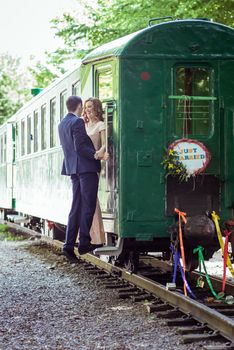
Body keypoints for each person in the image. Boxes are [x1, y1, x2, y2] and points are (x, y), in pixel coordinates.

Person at [58, 96, 102, 261]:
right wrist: (95, 155)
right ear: (79, 106)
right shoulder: (77, 122)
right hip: (86, 168)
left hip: (73, 169)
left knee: (75, 206)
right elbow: (80, 146)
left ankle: (68, 246)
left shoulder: (62, 124)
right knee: (88, 205)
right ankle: (84, 242)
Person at [82, 97, 108, 245]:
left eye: (90, 106)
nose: (87, 109)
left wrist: (99, 152)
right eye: (86, 107)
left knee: (91, 199)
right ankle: (86, 234)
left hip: (93, 163)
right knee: (85, 199)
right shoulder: (83, 125)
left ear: (96, 108)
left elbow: (104, 144)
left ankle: (96, 236)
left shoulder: (100, 125)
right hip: (83, 165)